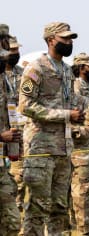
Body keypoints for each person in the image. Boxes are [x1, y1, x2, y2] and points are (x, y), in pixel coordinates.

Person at [18, 22, 84, 235]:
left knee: (59, 207)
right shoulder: (35, 69)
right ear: (50, 40)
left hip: (63, 149)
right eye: (65, 38)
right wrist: (65, 115)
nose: (69, 42)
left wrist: (77, 112)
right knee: (38, 206)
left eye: (71, 38)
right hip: (41, 149)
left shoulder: (66, 70)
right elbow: (25, 105)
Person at [71, 53, 89, 235]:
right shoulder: (75, 87)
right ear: (81, 68)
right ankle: (82, 226)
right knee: (82, 186)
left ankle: (80, 220)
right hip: (78, 142)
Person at [0, 47, 22, 236]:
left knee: (12, 222)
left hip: (1, 165)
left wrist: (15, 146)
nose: (6, 54)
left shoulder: (5, 80)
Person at [5, 35, 26, 212]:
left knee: (23, 174)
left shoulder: (23, 73)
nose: (15, 53)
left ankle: (18, 208)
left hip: (22, 131)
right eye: (12, 50)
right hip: (5, 130)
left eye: (17, 50)